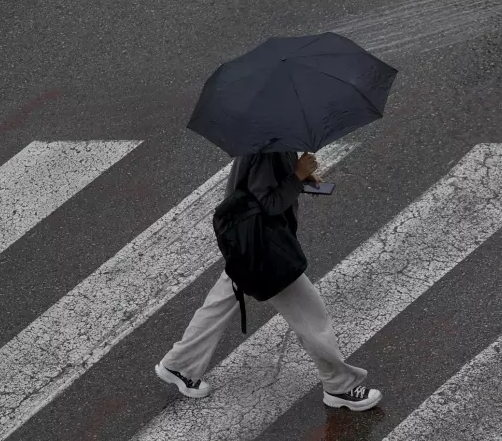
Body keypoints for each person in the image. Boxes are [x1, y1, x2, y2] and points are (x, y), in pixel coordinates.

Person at [154, 150, 382, 411]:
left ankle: (180, 364)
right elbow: (268, 203)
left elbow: (258, 187)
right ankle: (340, 386)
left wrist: (301, 178)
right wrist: (296, 175)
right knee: (311, 316)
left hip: (247, 245)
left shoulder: (267, 135)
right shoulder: (266, 146)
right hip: (265, 250)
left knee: (221, 301)